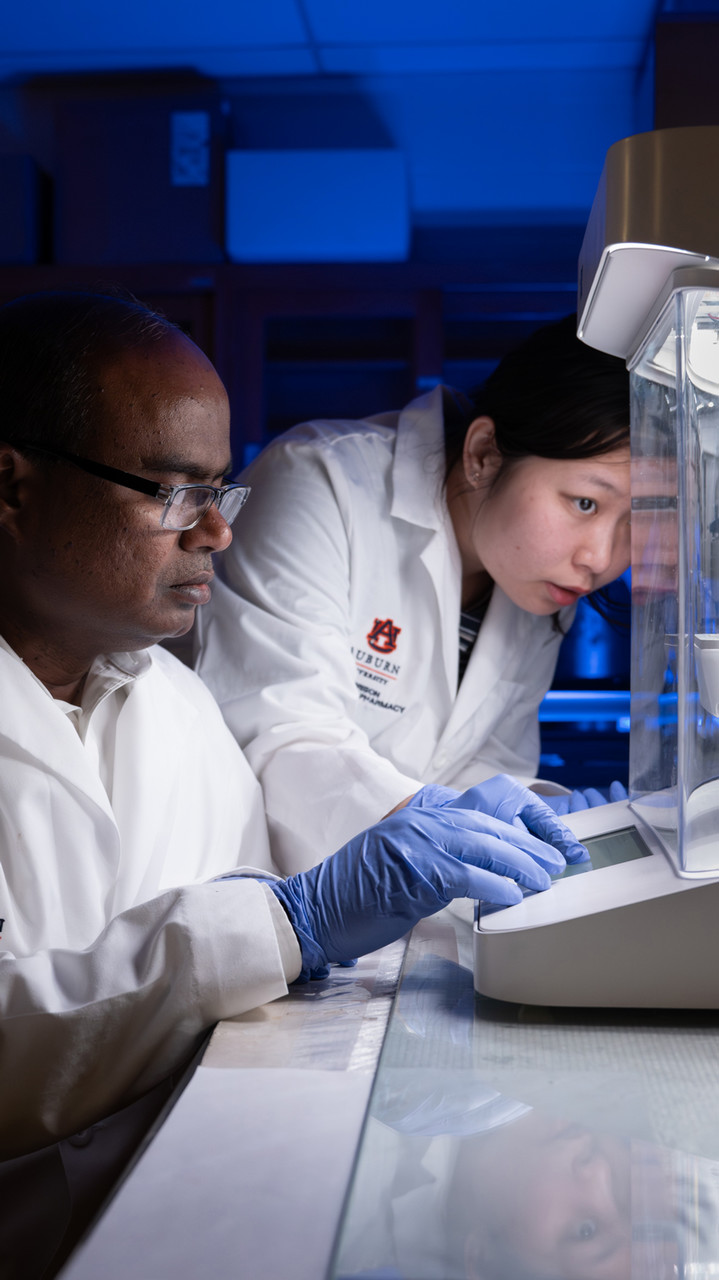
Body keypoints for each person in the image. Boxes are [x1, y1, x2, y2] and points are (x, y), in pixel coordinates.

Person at [0, 290, 588, 1279]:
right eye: (171, 490)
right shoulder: (324, 486)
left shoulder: (172, 711)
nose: (219, 533)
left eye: (218, 489)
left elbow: (234, 992)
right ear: (11, 487)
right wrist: (296, 920)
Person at [195, 316, 632, 875]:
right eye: (585, 504)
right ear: (482, 455)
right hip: (245, 887)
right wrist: (457, 829)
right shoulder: (320, 484)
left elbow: (482, 764)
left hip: (388, 908)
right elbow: (285, 742)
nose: (601, 558)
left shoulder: (536, 581)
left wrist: (548, 814)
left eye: (636, 518)